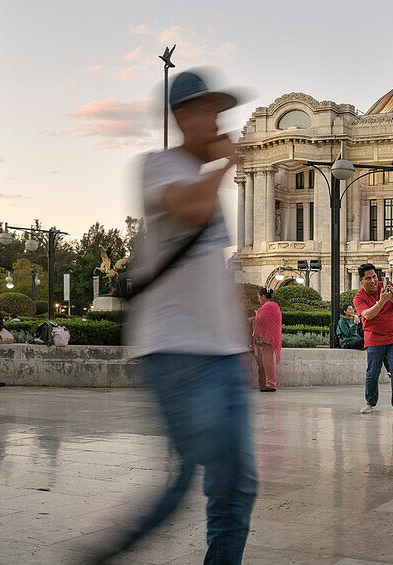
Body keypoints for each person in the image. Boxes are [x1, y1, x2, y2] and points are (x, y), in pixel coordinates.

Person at [111, 68, 256, 562]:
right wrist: (223, 166)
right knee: (183, 483)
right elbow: (188, 211)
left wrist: (240, 349)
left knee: (238, 486)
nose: (216, 121)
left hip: (218, 355)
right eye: (205, 111)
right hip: (174, 351)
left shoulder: (202, 181)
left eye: (219, 111)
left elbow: (213, 276)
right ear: (179, 117)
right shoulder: (157, 166)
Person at [354, 263, 393, 416]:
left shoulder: (386, 285)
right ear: (361, 280)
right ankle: (370, 403)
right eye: (368, 278)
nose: (372, 281)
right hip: (374, 338)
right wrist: (382, 301)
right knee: (372, 372)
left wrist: (391, 297)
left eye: (374, 277)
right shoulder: (359, 297)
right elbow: (368, 315)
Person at [252, 287, 281, 392]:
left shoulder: (268, 306)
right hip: (269, 338)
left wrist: (253, 319)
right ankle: (270, 383)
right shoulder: (274, 305)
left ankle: (271, 384)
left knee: (267, 362)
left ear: (263, 296)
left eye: (259, 297)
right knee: (267, 362)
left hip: (268, 339)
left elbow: (261, 319)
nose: (259, 300)